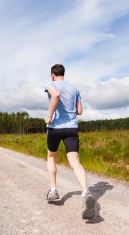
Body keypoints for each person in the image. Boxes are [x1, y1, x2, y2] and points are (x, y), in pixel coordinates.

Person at [44, 64, 96, 219]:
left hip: (55, 128)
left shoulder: (50, 84)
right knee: (74, 161)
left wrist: (49, 115)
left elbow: (56, 95)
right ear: (63, 74)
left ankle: (53, 190)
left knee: (51, 156)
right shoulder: (74, 87)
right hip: (72, 128)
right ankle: (86, 193)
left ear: (52, 75)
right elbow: (79, 111)